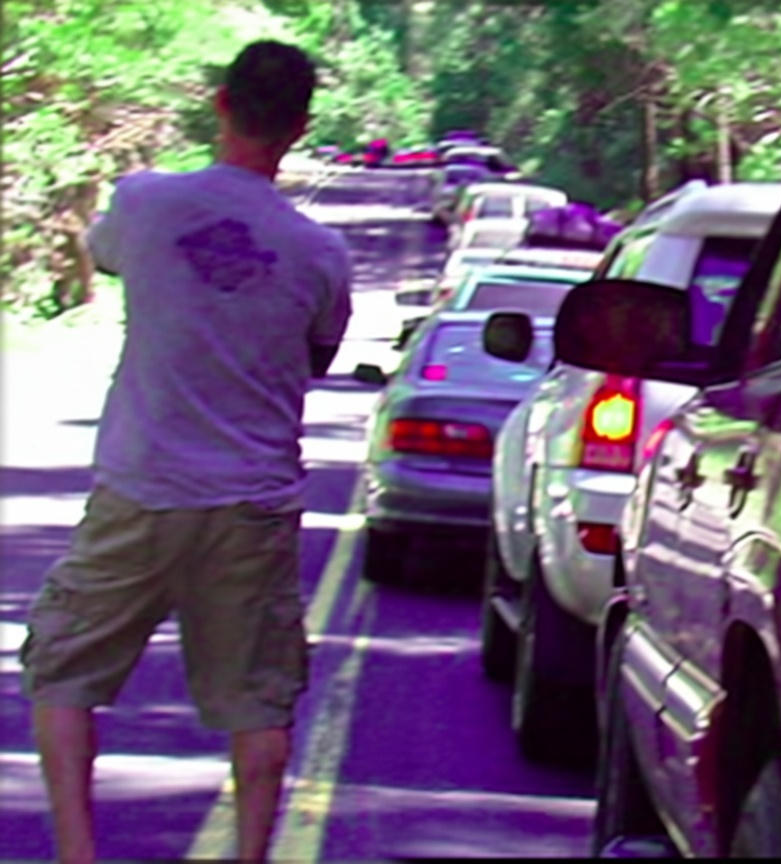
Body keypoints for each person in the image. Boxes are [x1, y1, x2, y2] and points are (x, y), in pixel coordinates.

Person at [19, 41, 352, 863]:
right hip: (250, 507)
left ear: (221, 105)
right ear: (300, 127)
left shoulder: (145, 204)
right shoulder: (319, 254)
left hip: (138, 491)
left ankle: (76, 853)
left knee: (62, 671)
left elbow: (103, 257)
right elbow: (318, 355)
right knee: (259, 704)